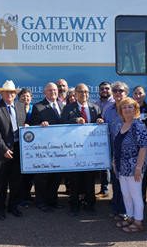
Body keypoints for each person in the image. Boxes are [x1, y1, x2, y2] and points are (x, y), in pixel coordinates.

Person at [60, 83, 104, 217]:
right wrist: (74, 120)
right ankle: (74, 204)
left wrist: (100, 121)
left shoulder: (95, 108)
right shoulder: (68, 108)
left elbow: (99, 124)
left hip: (90, 152)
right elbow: (61, 124)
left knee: (90, 179)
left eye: (86, 92)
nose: (83, 94)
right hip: (74, 152)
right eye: (81, 92)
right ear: (76, 94)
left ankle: (90, 204)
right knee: (75, 179)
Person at [0, 80, 28, 220]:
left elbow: (23, 125)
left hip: (18, 149)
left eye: (12, 92)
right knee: (1, 182)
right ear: (2, 93)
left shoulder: (21, 107)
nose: (9, 94)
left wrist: (26, 127)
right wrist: (3, 149)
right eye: (7, 92)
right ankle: (0, 208)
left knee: (16, 181)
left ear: (15, 94)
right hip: (1, 151)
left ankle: (13, 206)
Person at [113, 97, 147, 233]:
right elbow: (115, 146)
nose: (127, 109)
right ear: (121, 110)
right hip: (121, 168)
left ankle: (139, 222)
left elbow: (143, 148)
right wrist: (114, 162)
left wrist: (138, 169)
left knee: (135, 195)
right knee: (126, 194)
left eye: (130, 107)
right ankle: (130, 218)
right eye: (124, 107)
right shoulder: (119, 125)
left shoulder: (138, 125)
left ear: (135, 110)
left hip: (134, 168)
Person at [30, 82, 65, 213]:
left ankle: (52, 200)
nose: (53, 92)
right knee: (42, 176)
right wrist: (40, 124)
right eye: (50, 91)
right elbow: (33, 124)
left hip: (59, 148)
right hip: (44, 148)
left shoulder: (63, 106)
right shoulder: (38, 107)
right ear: (45, 93)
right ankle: (41, 202)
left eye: (55, 90)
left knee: (56, 176)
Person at [103, 81, 130, 220]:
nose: (118, 93)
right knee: (115, 181)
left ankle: (124, 210)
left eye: (120, 90)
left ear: (126, 93)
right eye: (115, 90)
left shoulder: (130, 108)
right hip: (112, 150)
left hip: (126, 151)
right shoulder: (108, 109)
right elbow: (104, 128)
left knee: (125, 182)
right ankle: (116, 207)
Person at [132, 85, 147, 203]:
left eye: (140, 93)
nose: (138, 96)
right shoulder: (129, 108)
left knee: (143, 171)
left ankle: (142, 197)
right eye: (135, 93)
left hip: (144, 147)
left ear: (144, 95)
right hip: (131, 147)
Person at [94, 81, 114, 199]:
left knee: (114, 165)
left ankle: (117, 194)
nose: (104, 90)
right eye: (102, 88)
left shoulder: (115, 103)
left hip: (112, 137)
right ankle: (104, 189)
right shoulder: (95, 104)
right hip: (99, 141)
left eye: (107, 88)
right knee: (103, 165)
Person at [17, 88, 35, 207]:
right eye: (23, 96)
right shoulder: (16, 108)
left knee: (30, 172)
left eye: (27, 96)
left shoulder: (35, 109)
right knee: (20, 173)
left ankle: (27, 194)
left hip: (32, 146)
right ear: (18, 98)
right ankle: (20, 196)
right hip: (18, 145)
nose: (25, 98)